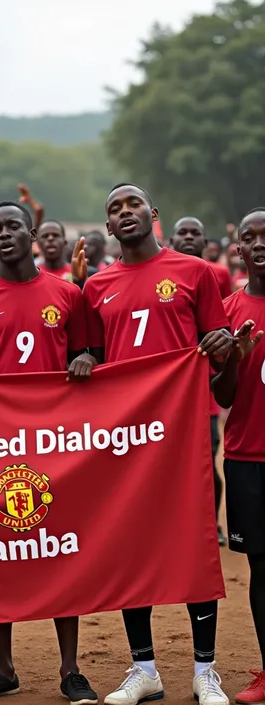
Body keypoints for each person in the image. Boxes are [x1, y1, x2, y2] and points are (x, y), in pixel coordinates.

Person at [81, 184, 233, 705]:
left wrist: (223, 347)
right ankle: (144, 668)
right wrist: (85, 360)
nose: (125, 213)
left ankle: (204, 671)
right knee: (132, 550)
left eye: (133, 205)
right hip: (124, 440)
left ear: (154, 214)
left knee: (191, 548)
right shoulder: (95, 287)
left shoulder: (196, 273)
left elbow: (218, 355)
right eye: (114, 210)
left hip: (182, 435)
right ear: (108, 227)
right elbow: (93, 360)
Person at [0, 201, 98, 705]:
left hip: (57, 446)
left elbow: (88, 351)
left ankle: (71, 670)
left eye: (13, 225)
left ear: (31, 231)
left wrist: (83, 357)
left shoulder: (66, 293)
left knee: (61, 551)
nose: (4, 234)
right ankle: (4, 668)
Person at [212, 208, 265, 705]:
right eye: (251, 238)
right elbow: (223, 397)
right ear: (239, 249)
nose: (261, 244)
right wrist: (235, 360)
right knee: (261, 570)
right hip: (249, 458)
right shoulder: (227, 310)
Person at [170, 216, 231, 546]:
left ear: (206, 241)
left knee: (206, 462)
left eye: (196, 233)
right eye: (183, 233)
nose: (190, 237)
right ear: (172, 239)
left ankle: (213, 524)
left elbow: (219, 323)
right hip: (163, 391)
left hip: (200, 388)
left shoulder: (215, 274)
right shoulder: (166, 273)